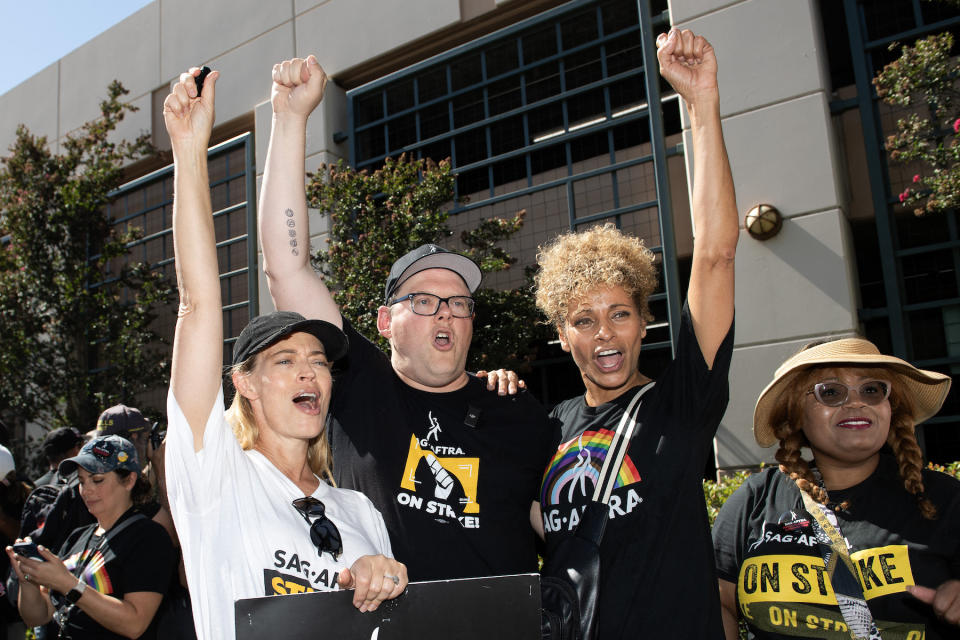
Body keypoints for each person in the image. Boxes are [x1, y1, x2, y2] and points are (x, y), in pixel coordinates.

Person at [257, 56, 556, 581]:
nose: (444, 311)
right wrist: (289, 120)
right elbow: (287, 267)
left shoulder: (518, 410)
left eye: (458, 302)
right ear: (383, 321)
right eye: (422, 300)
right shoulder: (357, 388)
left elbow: (560, 529)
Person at [162, 65, 406, 640]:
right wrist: (190, 151)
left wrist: (383, 575)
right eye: (285, 360)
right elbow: (196, 304)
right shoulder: (217, 480)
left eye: (319, 361)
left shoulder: (360, 512)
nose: (310, 372)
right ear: (243, 382)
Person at [532, 28, 737, 639]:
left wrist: (701, 105)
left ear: (646, 321)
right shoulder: (548, 426)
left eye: (620, 313)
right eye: (583, 319)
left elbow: (717, 255)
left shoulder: (680, 404)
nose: (605, 333)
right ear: (562, 336)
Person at [712, 338, 960, 638]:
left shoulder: (945, 499)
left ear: (889, 407)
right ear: (796, 414)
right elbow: (717, 602)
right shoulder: (755, 500)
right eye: (830, 392)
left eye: (872, 390)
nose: (857, 402)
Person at [6, 435, 176, 639]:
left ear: (130, 479)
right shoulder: (77, 536)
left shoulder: (149, 537)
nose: (86, 490)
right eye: (81, 481)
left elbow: (135, 623)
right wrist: (27, 578)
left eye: (97, 480)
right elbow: (38, 617)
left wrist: (68, 584)